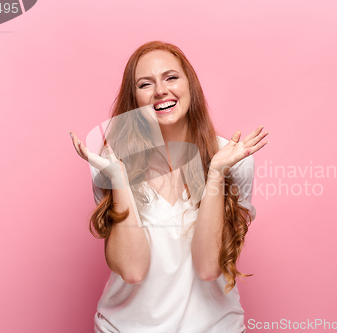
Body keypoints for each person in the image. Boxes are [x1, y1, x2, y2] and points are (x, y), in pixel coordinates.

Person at [69, 41, 269, 333]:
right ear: (134, 99)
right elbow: (132, 270)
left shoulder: (233, 160)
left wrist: (215, 174)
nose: (160, 90)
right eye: (145, 84)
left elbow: (208, 268)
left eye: (171, 77)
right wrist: (118, 178)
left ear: (191, 86)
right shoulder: (109, 162)